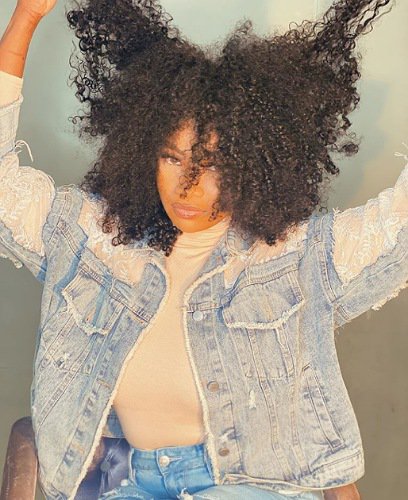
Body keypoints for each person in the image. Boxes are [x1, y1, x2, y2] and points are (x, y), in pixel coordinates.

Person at [0, 0, 406, 499]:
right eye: (172, 158)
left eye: (212, 165)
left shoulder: (296, 256)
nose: (187, 187)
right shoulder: (94, 242)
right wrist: (25, 19)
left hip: (249, 485)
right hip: (136, 482)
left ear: (254, 166)